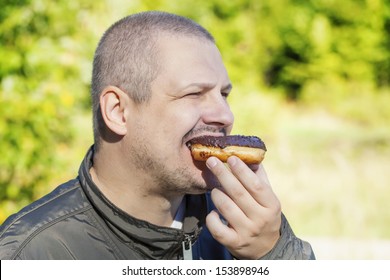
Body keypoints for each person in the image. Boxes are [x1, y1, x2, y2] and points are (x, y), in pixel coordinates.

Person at [0, 11, 315, 260]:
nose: (225, 116)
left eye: (224, 94)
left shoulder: (243, 225)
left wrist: (274, 254)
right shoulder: (30, 255)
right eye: (194, 94)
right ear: (118, 111)